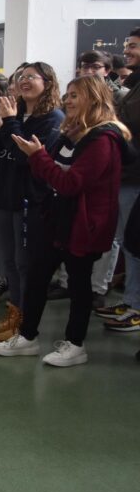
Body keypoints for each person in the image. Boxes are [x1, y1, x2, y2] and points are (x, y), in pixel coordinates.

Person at [0, 76, 133, 366]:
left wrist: (38, 157)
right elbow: (50, 171)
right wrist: (37, 156)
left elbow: (71, 183)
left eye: (75, 96)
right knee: (37, 275)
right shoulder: (72, 133)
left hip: (84, 223)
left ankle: (75, 344)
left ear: (94, 99)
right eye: (67, 95)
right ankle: (28, 337)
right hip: (57, 218)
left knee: (79, 285)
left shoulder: (104, 139)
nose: (67, 101)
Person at [0, 63, 64, 342]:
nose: (24, 81)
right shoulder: (13, 114)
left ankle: (25, 323)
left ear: (48, 82)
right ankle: (13, 316)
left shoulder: (52, 119)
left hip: (29, 200)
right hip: (4, 197)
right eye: (21, 77)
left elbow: (23, 158)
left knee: (24, 263)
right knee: (9, 262)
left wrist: (11, 123)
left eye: (31, 76)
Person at [97, 27, 140, 332]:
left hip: (135, 174)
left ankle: (137, 306)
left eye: (133, 46)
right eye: (127, 45)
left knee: (135, 243)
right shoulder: (132, 84)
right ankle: (132, 299)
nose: (127, 50)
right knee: (128, 242)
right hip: (124, 172)